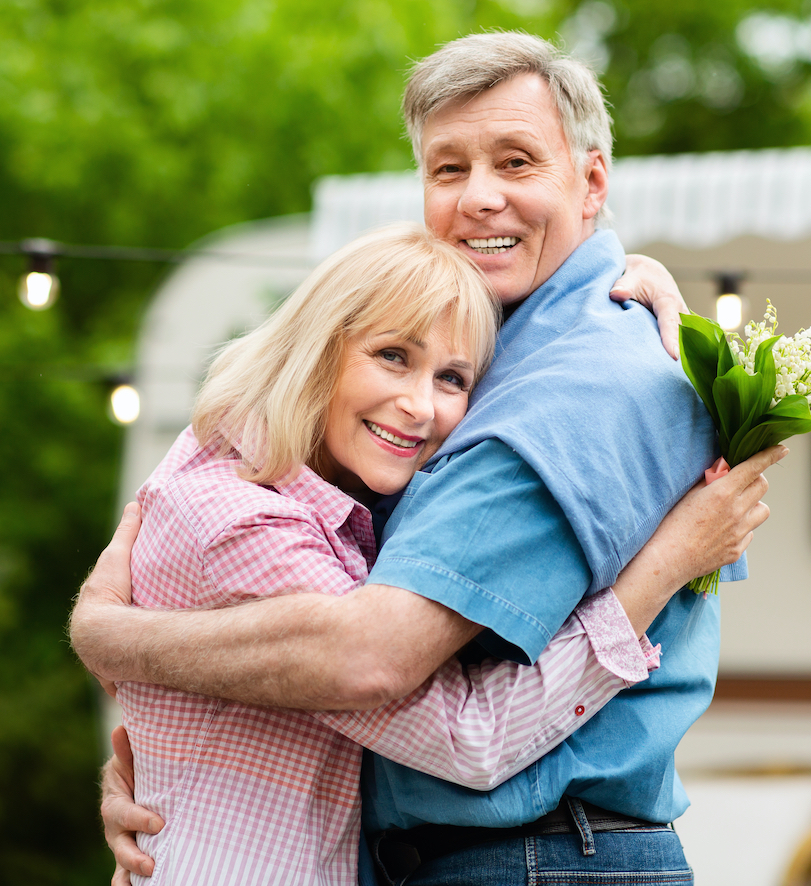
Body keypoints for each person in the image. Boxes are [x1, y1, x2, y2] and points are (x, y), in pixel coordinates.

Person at [73, 31, 785, 885]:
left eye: (516, 162)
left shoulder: (577, 383)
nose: (479, 198)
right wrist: (179, 759)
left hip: (538, 854)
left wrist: (111, 634)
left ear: (592, 182)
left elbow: (371, 662)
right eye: (448, 170)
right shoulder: (499, 350)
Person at [114, 223, 716, 885]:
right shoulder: (249, 521)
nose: (419, 406)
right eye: (394, 356)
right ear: (319, 347)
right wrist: (669, 560)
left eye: (452, 377)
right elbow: (469, 739)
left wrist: (615, 276)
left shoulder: (293, 488)